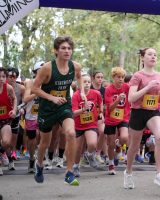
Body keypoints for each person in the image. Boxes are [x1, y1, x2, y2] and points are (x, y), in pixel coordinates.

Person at [32, 36, 86, 186]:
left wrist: (81, 91)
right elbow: (34, 88)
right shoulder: (47, 68)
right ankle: (39, 165)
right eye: (63, 48)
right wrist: (51, 98)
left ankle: (69, 172)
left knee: (70, 133)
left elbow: (80, 77)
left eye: (69, 48)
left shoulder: (75, 66)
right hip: (47, 108)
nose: (67, 51)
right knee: (45, 143)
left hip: (64, 106)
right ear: (56, 50)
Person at [123, 48, 160, 189]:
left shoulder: (158, 75)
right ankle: (128, 172)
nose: (153, 56)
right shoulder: (137, 75)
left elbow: (156, 95)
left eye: (155, 55)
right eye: (150, 54)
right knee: (134, 147)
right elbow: (131, 98)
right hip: (138, 112)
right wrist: (147, 87)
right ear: (143, 58)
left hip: (152, 112)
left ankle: (159, 174)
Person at [72, 74, 102, 177]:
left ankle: (89, 155)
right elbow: (73, 113)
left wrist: (101, 112)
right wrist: (83, 109)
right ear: (79, 84)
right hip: (78, 125)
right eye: (84, 82)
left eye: (89, 82)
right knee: (77, 148)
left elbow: (100, 102)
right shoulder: (76, 95)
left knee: (92, 143)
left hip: (91, 124)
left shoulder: (96, 93)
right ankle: (75, 166)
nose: (87, 84)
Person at [104, 67, 129, 175]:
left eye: (123, 77)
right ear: (113, 77)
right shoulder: (109, 89)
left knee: (124, 137)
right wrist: (118, 99)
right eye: (118, 77)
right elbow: (109, 108)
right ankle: (111, 164)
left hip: (123, 117)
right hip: (110, 119)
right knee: (110, 144)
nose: (121, 79)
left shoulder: (127, 87)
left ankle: (119, 145)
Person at [23, 61, 44, 173]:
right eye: (40, 70)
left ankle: (39, 157)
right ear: (35, 72)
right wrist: (37, 92)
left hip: (44, 114)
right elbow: (25, 99)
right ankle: (31, 158)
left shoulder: (48, 82)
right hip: (31, 115)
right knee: (32, 138)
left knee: (42, 136)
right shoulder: (30, 83)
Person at [6, 67, 25, 169]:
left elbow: (25, 101)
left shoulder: (21, 88)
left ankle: (12, 153)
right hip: (4, 116)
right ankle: (6, 155)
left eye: (14, 76)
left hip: (16, 115)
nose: (12, 79)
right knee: (5, 139)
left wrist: (20, 108)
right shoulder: (3, 87)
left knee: (13, 137)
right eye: (10, 76)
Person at [0, 68, 17, 174]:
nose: (1, 79)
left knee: (6, 142)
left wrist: (14, 110)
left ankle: (3, 152)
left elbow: (14, 99)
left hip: (5, 120)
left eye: (3, 76)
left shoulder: (9, 88)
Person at [91, 70, 107, 164]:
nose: (100, 79)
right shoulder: (89, 87)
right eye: (98, 77)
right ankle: (85, 154)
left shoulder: (104, 90)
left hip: (100, 115)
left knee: (102, 131)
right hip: (88, 115)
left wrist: (103, 109)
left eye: (101, 77)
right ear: (93, 78)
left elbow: (107, 104)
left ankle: (97, 153)